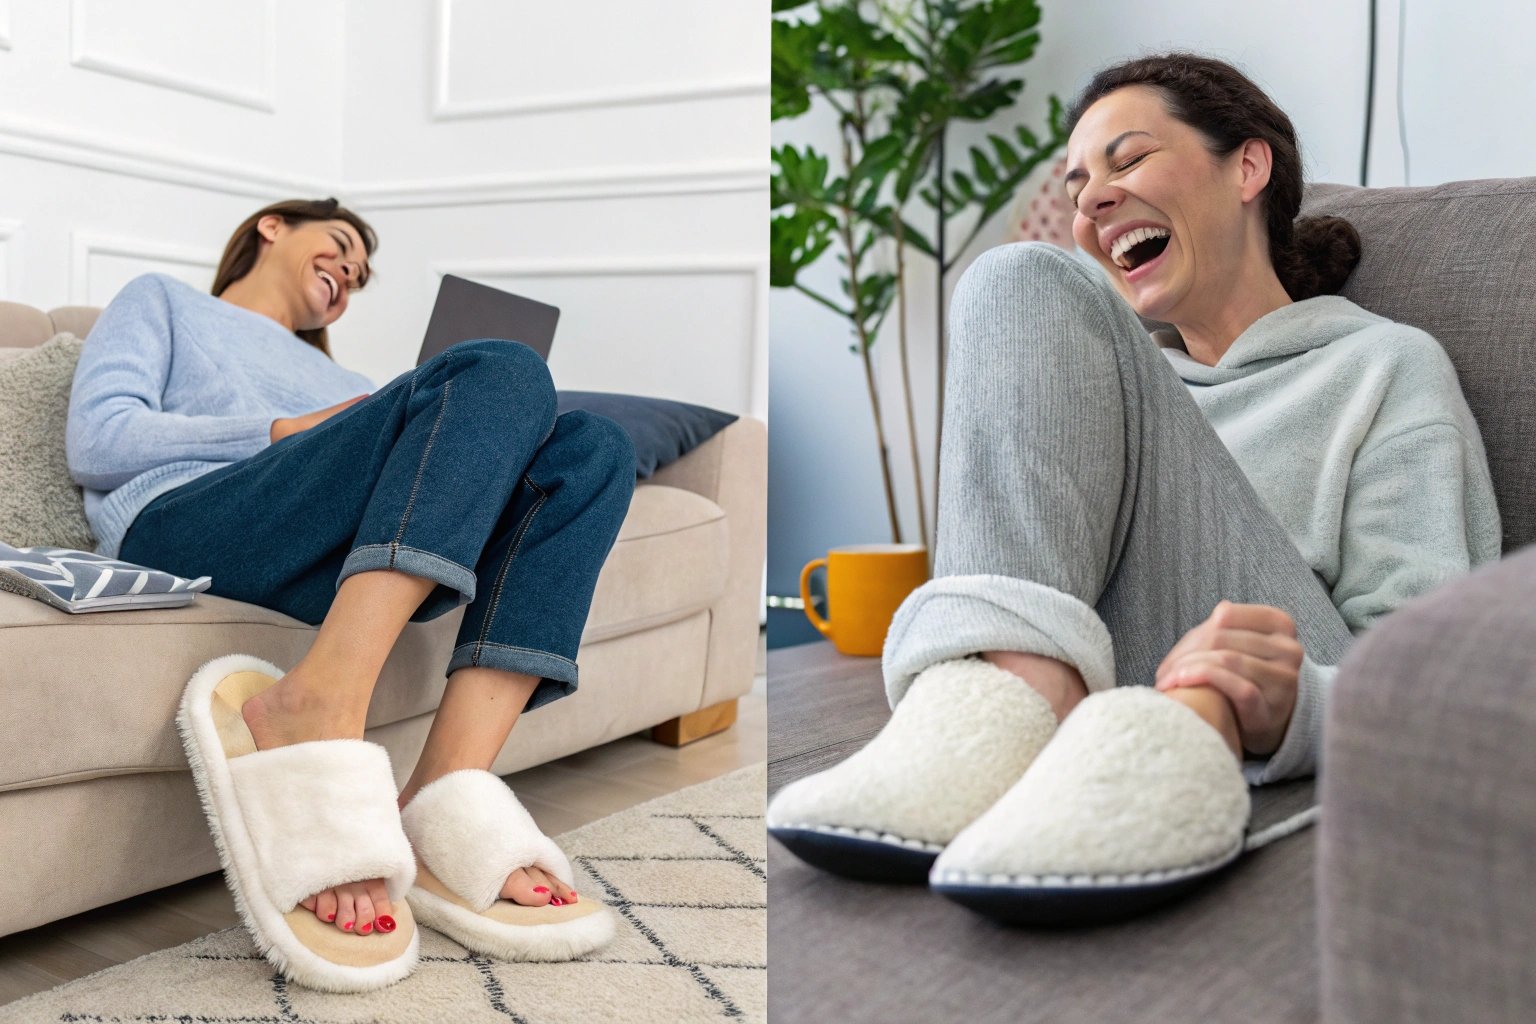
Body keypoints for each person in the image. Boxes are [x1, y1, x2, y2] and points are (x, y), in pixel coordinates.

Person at [766, 52, 1501, 909]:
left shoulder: (1382, 367)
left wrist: (1283, 700)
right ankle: (1008, 702)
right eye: (1078, 186)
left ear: (1248, 168)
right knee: (1013, 275)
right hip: (1113, 686)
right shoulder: (1105, 395)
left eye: (1129, 159)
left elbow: (1423, 670)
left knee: (1019, 271)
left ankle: (1031, 701)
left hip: (1279, 684)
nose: (1090, 203)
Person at [65, 198, 636, 937]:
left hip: (328, 547)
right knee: (502, 366)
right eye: (338, 245)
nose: (347, 273)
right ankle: (317, 705)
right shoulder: (166, 302)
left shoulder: (348, 377)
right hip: (183, 519)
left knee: (594, 449)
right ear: (273, 226)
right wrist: (285, 430)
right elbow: (99, 439)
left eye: (359, 276)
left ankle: (442, 795)